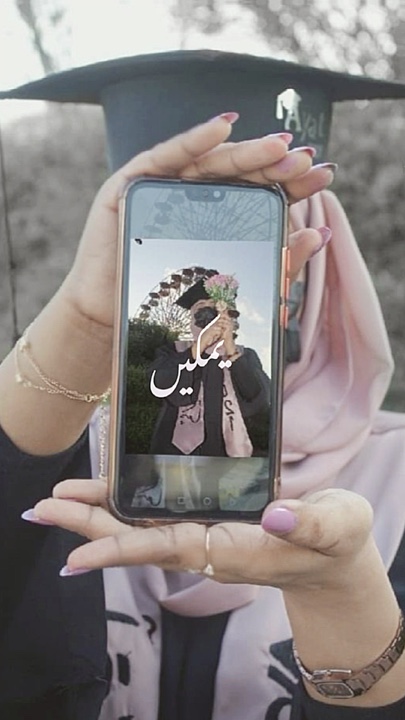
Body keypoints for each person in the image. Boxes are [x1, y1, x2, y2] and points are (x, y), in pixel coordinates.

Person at [2, 50, 405, 720]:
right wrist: (84, 326)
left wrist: (343, 593)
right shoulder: (61, 451)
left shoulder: (395, 474)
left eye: (266, 234)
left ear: (317, 250)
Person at [148, 273, 270, 457]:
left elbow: (259, 401)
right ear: (191, 317)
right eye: (200, 308)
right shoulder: (173, 351)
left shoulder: (246, 355)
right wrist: (199, 347)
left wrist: (230, 348)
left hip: (230, 459)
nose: (207, 313)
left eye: (213, 307)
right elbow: (161, 386)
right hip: (175, 457)